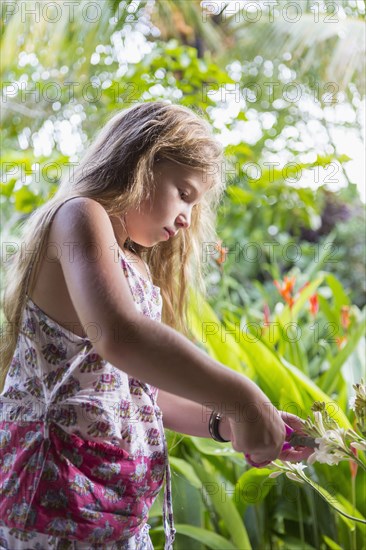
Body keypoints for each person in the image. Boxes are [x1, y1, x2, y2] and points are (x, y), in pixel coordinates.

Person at [0, 100, 312, 550]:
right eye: (184, 192)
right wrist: (246, 398)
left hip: (116, 518)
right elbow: (121, 337)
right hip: (53, 501)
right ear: (140, 162)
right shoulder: (79, 216)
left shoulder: (137, 267)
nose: (187, 218)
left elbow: (147, 393)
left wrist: (228, 422)